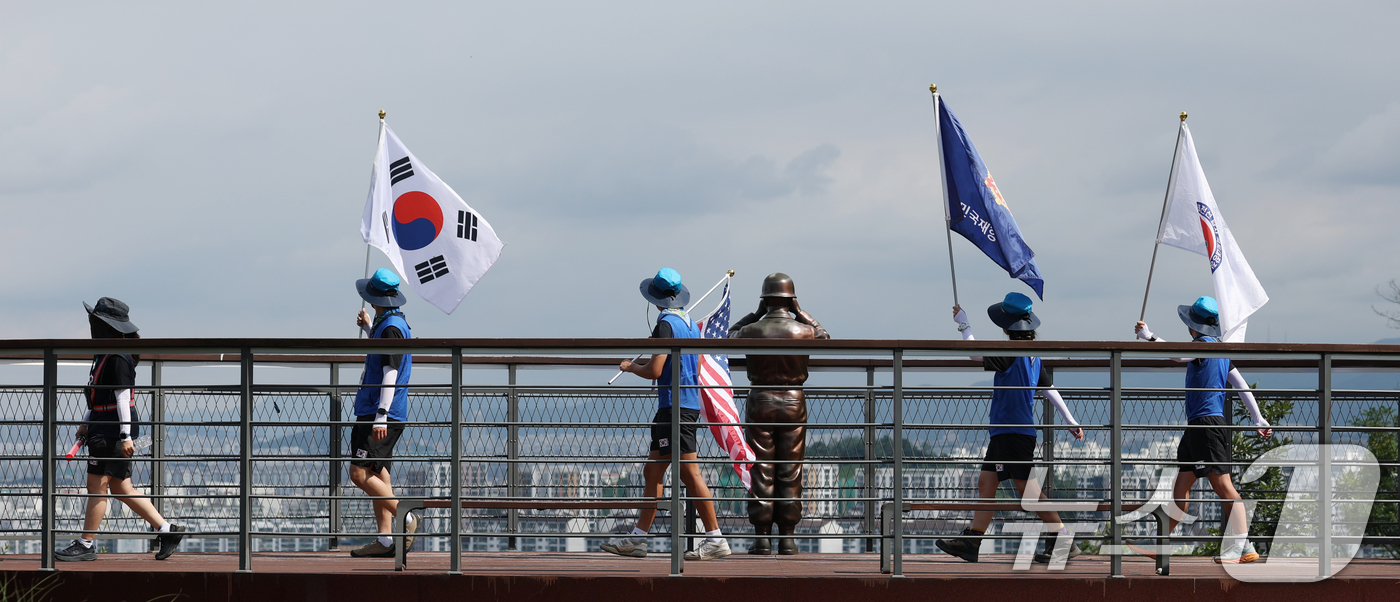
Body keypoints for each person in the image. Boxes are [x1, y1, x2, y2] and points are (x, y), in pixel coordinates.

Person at [935, 292, 1086, 565]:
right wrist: (1069, 418)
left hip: (1012, 432)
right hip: (1010, 432)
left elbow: (973, 354)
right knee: (987, 483)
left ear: (1006, 327)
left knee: (1027, 492)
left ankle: (1063, 538)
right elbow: (1048, 387)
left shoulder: (1009, 352)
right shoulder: (1032, 355)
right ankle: (972, 541)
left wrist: (963, 324)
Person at [1131, 295, 1273, 564]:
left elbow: (1177, 355)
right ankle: (1160, 543)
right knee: (1182, 484)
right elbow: (1241, 386)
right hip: (1200, 426)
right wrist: (1258, 418)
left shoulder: (1203, 346)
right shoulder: (1221, 352)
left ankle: (1243, 547)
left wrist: (1149, 336)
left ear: (1192, 325)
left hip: (1207, 426)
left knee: (1223, 487)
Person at [601, 268, 730, 561]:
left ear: (655, 298)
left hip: (673, 409)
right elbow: (687, 366)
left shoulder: (666, 325)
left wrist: (631, 367)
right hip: (686, 405)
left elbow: (656, 371)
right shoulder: (688, 324)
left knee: (689, 473)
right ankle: (638, 539)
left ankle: (715, 539)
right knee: (654, 471)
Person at [54, 298, 186, 562]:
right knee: (121, 488)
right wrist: (86, 422)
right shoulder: (107, 355)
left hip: (111, 433)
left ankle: (86, 544)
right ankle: (166, 529)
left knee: (96, 485)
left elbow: (123, 398)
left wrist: (125, 436)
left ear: (105, 326)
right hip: (103, 428)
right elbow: (99, 397)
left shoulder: (116, 358)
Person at [727, 273, 829, 555]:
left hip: (760, 399)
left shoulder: (752, 330)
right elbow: (825, 337)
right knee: (790, 469)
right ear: (791, 299)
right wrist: (801, 312)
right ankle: (787, 537)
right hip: (794, 401)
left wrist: (755, 314)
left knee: (761, 469)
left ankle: (761, 537)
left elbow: (727, 336)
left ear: (765, 300)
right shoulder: (803, 330)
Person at [347, 269, 419, 558]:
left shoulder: (390, 328)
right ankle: (386, 541)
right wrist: (367, 329)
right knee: (378, 472)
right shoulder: (390, 324)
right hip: (382, 412)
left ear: (374, 297)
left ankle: (408, 518)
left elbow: (389, 373)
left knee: (358, 473)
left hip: (379, 414)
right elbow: (385, 359)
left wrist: (380, 415)